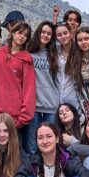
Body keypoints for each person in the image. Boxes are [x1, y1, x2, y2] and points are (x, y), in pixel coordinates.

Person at [0, 21, 35, 145]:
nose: (22, 36)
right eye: (19, 33)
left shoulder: (26, 60)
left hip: (15, 115)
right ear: (12, 33)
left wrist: (24, 117)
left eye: (25, 35)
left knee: (13, 156)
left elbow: (29, 90)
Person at [25, 20, 60, 153]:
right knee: (32, 144)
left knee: (49, 145)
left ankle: (48, 173)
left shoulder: (54, 53)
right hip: (33, 106)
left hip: (51, 105)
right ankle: (32, 173)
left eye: (49, 33)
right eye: (43, 32)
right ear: (38, 32)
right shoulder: (28, 51)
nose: (45, 35)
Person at [54, 22, 81, 111]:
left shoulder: (79, 51)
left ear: (70, 33)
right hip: (56, 99)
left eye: (65, 33)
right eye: (59, 35)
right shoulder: (54, 52)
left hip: (74, 98)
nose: (63, 36)